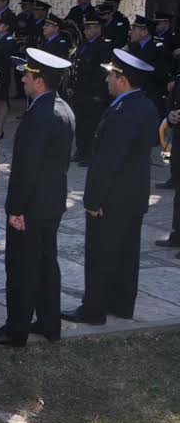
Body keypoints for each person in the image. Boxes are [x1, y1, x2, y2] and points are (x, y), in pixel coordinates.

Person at [0, 49, 74, 347]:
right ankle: (48, 322)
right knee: (47, 263)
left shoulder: (39, 116)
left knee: (21, 267)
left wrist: (17, 209)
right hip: (52, 202)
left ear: (40, 81)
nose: (22, 78)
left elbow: (26, 169)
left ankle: (15, 329)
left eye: (27, 75)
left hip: (31, 205)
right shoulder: (62, 109)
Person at [64, 49, 156, 325]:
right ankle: (122, 303)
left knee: (100, 253)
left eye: (111, 76)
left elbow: (107, 162)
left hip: (112, 198)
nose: (107, 81)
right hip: (134, 194)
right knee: (127, 253)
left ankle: (93, 309)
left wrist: (93, 200)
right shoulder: (146, 105)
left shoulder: (122, 112)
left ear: (123, 80)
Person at [68, 14, 111, 163]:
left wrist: (100, 92)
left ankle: (90, 153)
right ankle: (80, 150)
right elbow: (76, 66)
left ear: (97, 29)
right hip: (81, 90)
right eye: (85, 28)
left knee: (91, 124)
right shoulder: (84, 44)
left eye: (88, 28)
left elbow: (104, 71)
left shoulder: (104, 46)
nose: (85, 31)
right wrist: (71, 85)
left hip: (93, 91)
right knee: (80, 121)